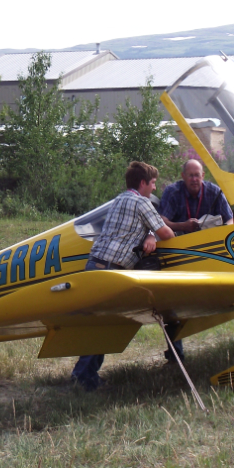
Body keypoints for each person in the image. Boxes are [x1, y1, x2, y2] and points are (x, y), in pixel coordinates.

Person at [71, 161, 175, 390]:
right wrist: (156, 234)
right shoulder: (142, 202)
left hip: (96, 263)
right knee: (105, 324)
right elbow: (166, 233)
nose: (155, 189)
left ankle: (85, 374)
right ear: (142, 183)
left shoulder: (120, 199)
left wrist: (149, 234)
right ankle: (83, 377)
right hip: (112, 268)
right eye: (153, 183)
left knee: (100, 323)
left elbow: (138, 226)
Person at [157, 158, 234, 363]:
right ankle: (176, 355)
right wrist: (183, 225)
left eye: (197, 175)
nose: (194, 179)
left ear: (203, 176)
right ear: (183, 177)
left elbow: (230, 219)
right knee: (172, 303)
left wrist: (224, 231)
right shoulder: (172, 192)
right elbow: (161, 221)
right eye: (190, 175)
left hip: (210, 252)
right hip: (179, 254)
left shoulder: (214, 192)